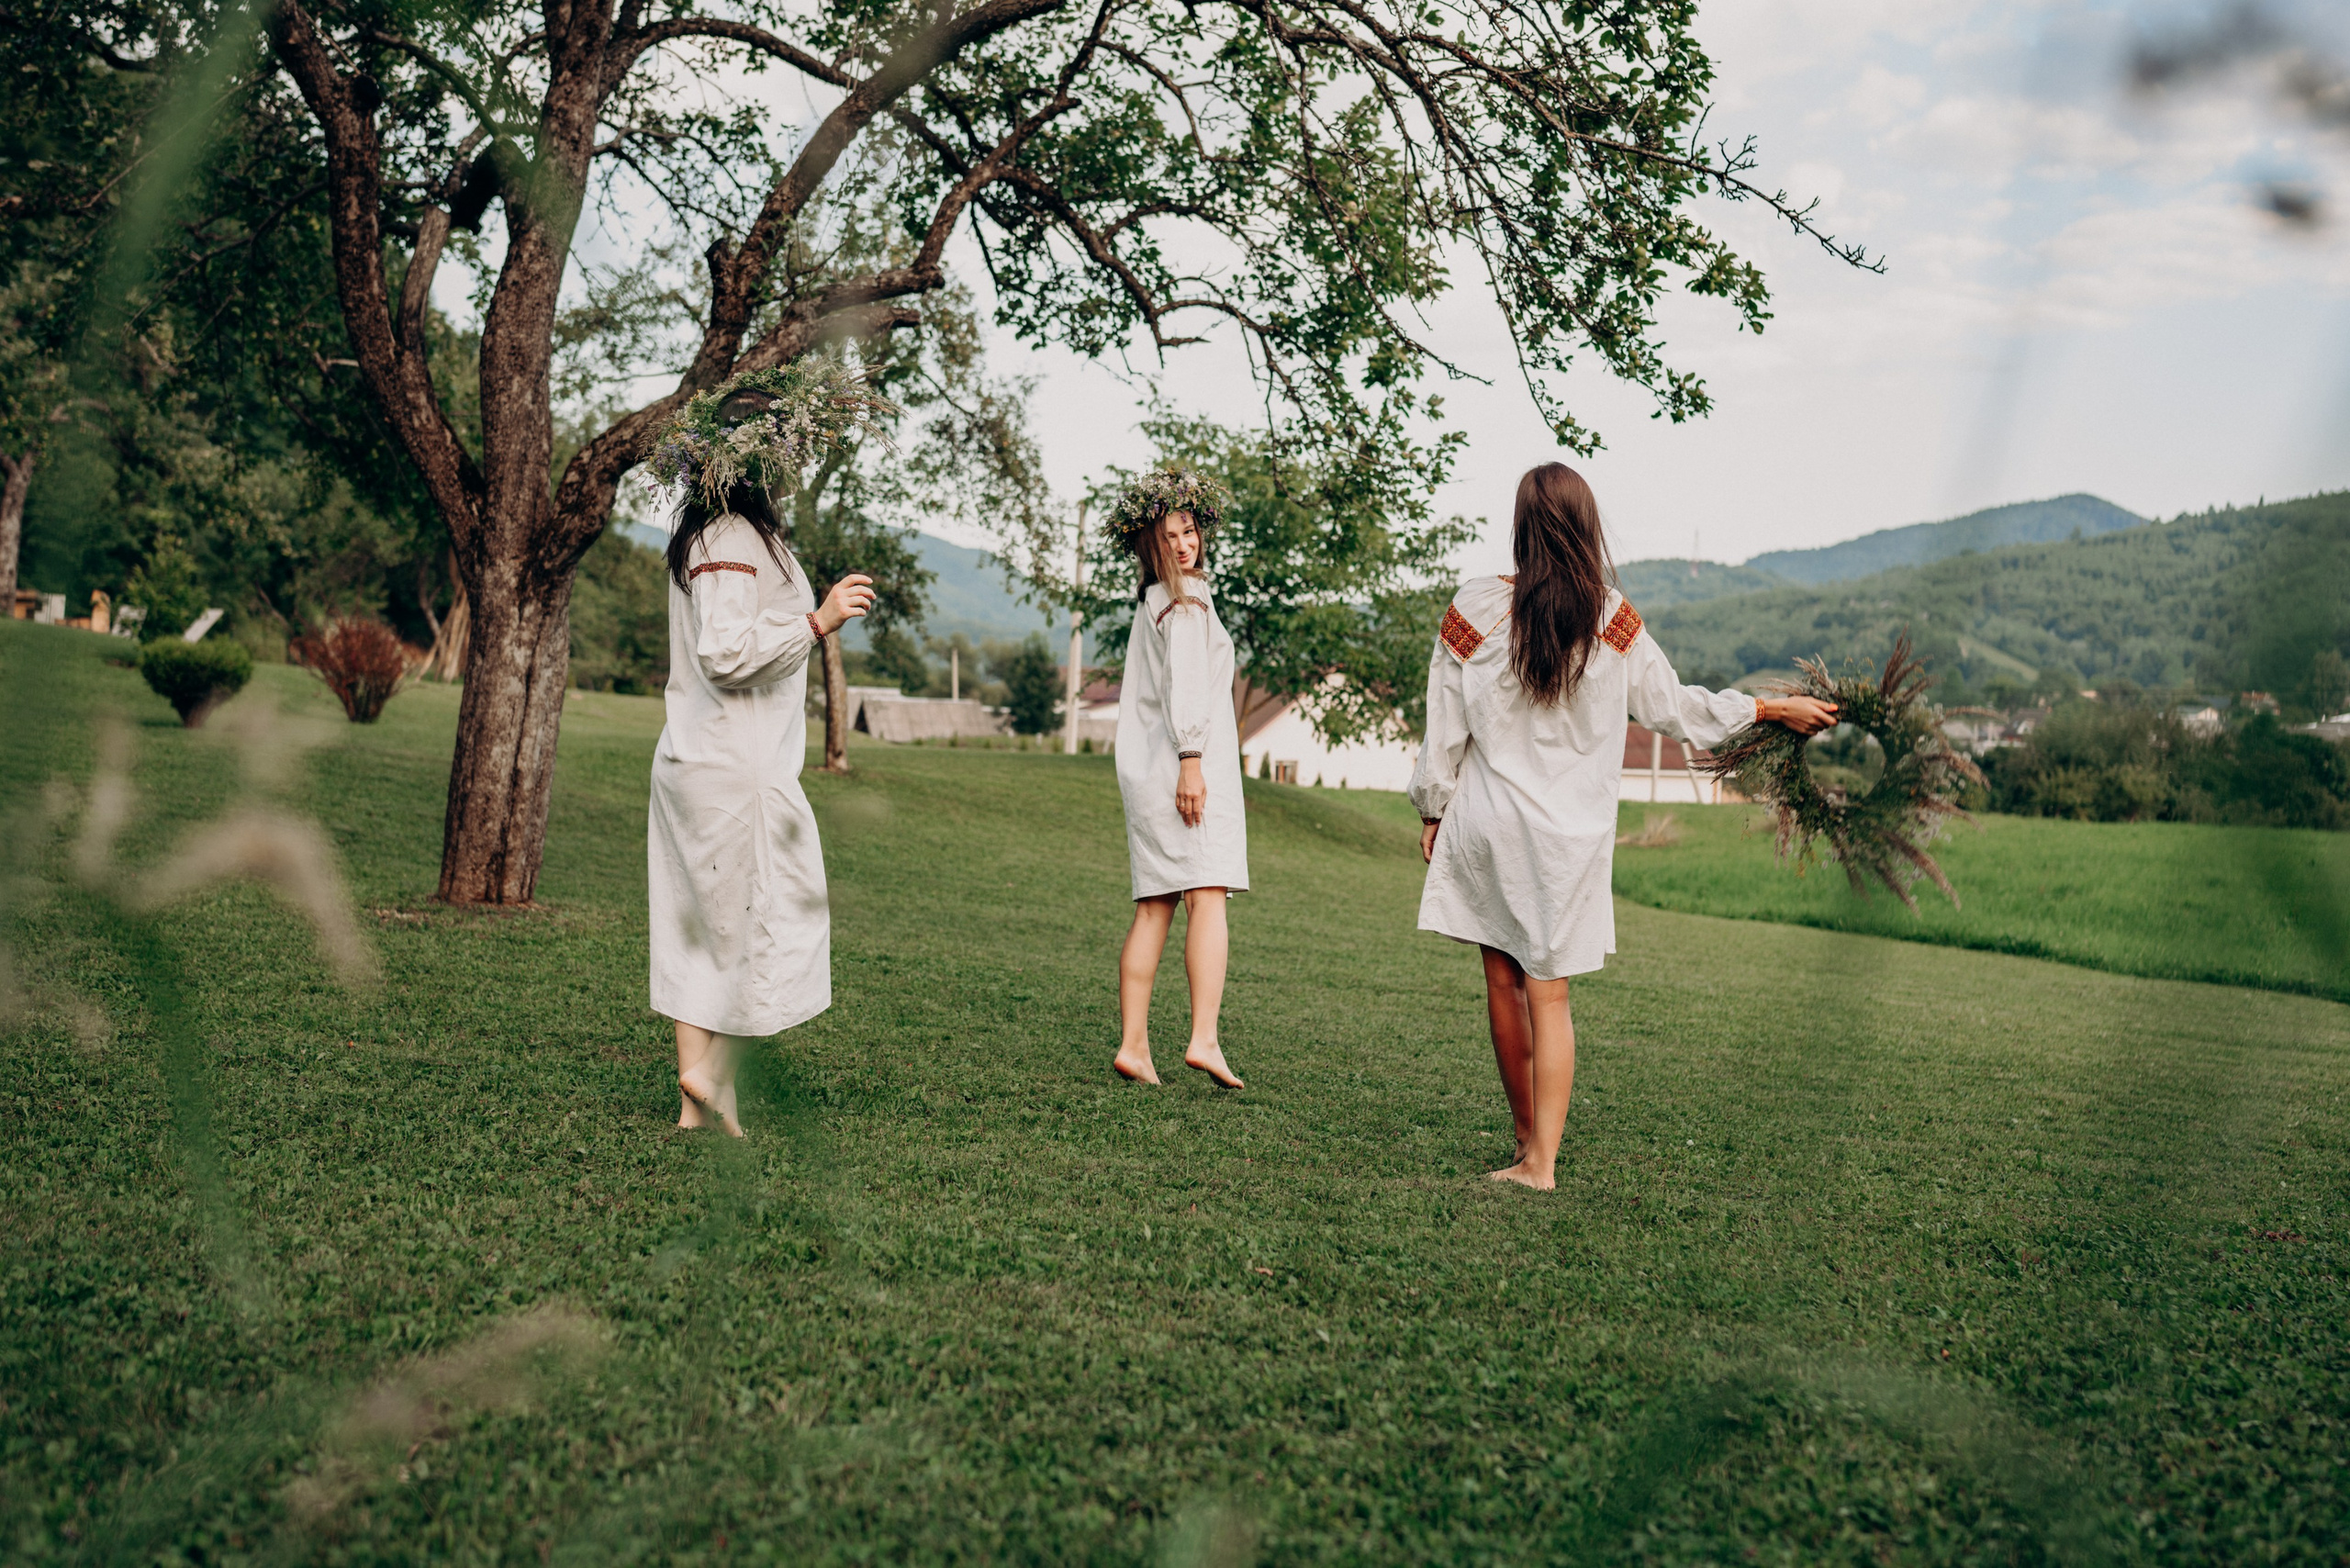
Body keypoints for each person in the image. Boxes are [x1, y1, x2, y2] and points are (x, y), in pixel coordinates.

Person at [1409, 464, 1838, 1189]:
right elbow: (1677, 707)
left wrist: (1432, 806)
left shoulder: (1473, 607)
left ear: (1521, 526)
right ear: (1585, 527)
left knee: (1501, 981)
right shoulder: (1612, 618)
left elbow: (1441, 728)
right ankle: (1540, 1161)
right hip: (1566, 841)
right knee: (1551, 994)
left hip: (1487, 821)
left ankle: (1524, 1143)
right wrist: (1770, 708)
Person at [647, 386, 878, 1136]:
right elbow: (723, 653)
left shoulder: (718, 536)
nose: (789, 461)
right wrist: (819, 619)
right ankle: (712, 1072)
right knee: (776, 920)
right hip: (734, 768)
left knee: (703, 932)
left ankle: (697, 1109)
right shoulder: (731, 540)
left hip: (702, 762)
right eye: (777, 449)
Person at [1107, 470, 1248, 1089]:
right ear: (1150, 543)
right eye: (1170, 535)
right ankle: (1205, 1038)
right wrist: (1191, 759)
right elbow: (1186, 686)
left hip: (1148, 770)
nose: (1184, 544)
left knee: (1155, 907)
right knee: (1208, 897)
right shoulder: (1182, 599)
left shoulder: (1154, 602)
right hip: (1182, 769)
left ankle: (1135, 1045)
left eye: (1189, 531)